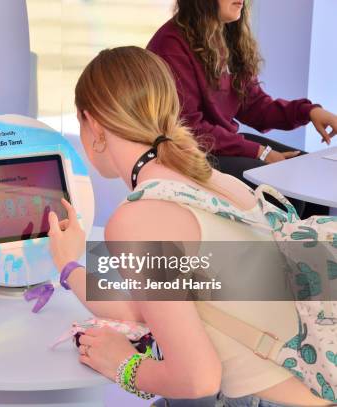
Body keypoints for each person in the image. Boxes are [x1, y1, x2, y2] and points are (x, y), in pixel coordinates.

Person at [46, 46, 331, 406]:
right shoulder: (211, 180)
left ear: (94, 126)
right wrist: (70, 266)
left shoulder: (139, 218)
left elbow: (197, 378)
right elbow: (144, 308)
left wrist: (122, 364)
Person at [146, 0, 336, 217]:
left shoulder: (227, 37)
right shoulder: (171, 44)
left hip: (219, 145)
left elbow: (256, 107)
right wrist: (260, 152)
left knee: (309, 175)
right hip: (186, 152)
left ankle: (308, 250)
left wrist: (309, 112)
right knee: (283, 195)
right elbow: (189, 128)